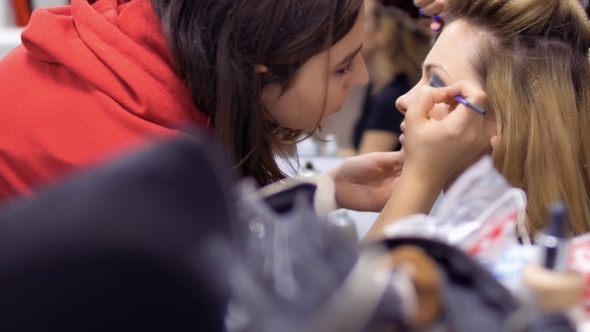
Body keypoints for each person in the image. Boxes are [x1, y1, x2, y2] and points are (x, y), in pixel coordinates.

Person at [0, 0, 382, 210]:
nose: (361, 77)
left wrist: (321, 188)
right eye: (343, 66)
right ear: (260, 69)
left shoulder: (145, 50)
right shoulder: (140, 162)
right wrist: (418, 187)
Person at [367, 0, 590, 239]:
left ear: (506, 121)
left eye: (436, 83)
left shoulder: (522, 266)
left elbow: (365, 276)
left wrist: (419, 180)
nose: (403, 100)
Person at [352, 0, 432, 154]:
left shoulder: (392, 96)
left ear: (383, 33)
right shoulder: (378, 88)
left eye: (362, 20)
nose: (349, 28)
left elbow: (367, 166)